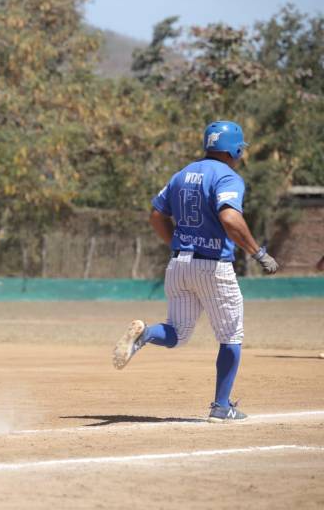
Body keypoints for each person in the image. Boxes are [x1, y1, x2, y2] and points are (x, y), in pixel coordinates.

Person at [112, 120, 279, 422]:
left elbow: (156, 215)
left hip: (179, 264)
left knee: (178, 332)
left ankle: (145, 334)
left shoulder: (181, 174)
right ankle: (221, 406)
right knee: (231, 336)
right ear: (233, 149)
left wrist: (176, 242)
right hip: (213, 265)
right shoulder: (229, 177)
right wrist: (258, 252)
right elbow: (230, 218)